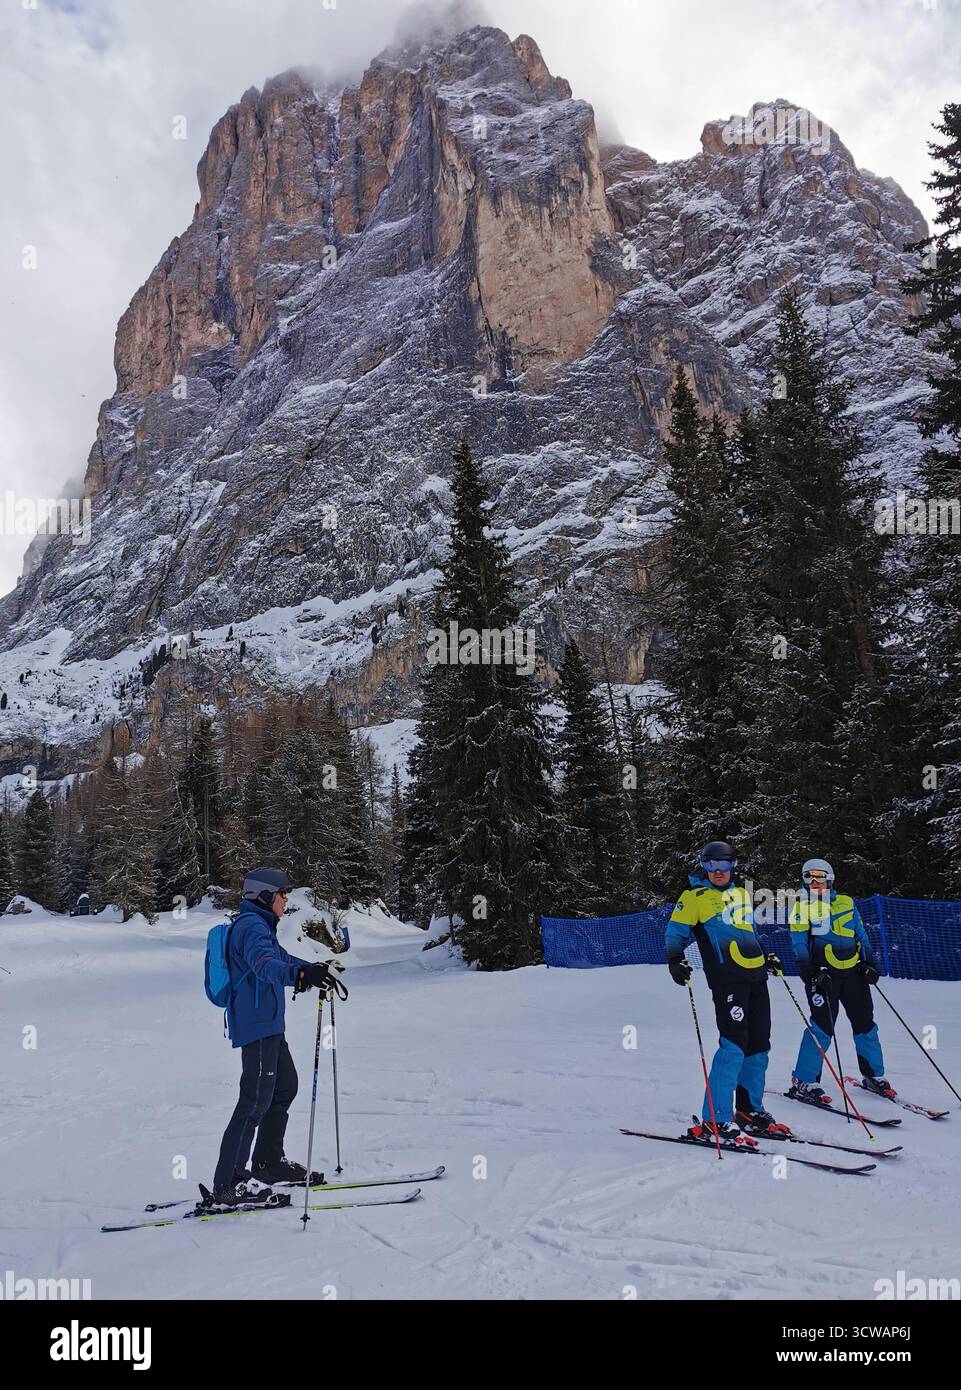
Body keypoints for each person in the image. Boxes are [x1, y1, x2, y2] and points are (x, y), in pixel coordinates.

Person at [207, 867, 343, 1211]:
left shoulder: (259, 925)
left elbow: (280, 958)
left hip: (268, 1024)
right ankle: (229, 1183)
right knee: (254, 1100)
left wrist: (314, 969)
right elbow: (265, 965)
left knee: (284, 1087)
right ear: (265, 896)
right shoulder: (251, 927)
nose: (286, 900)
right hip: (256, 1027)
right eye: (282, 894)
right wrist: (298, 974)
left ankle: (268, 1162)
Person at [665, 841, 786, 1142]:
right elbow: (675, 931)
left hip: (756, 977)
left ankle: (748, 1110)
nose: (718, 871)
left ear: (733, 866)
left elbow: (750, 932)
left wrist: (766, 954)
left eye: (724, 865)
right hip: (727, 980)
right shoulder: (694, 896)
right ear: (704, 867)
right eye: (711, 866)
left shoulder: (741, 894)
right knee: (733, 1045)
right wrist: (674, 959)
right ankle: (715, 1120)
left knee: (759, 1045)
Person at [787, 858, 893, 1103]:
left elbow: (860, 933)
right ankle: (805, 1080)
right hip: (824, 976)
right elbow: (799, 944)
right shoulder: (801, 907)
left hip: (853, 973)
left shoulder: (846, 902)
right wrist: (811, 972)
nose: (815, 883)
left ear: (830, 879)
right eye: (809, 878)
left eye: (819, 877)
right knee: (823, 1025)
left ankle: (873, 1076)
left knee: (865, 1023)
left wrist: (869, 963)